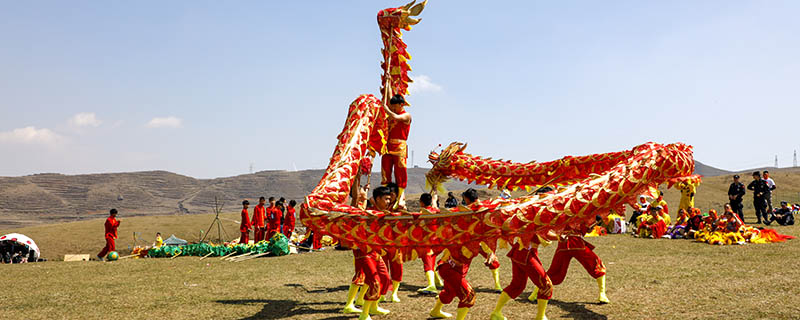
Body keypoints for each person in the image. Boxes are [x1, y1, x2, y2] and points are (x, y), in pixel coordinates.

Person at [349, 186, 393, 320]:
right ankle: (364, 314)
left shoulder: (382, 213)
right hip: (364, 252)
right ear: (377, 199)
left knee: (385, 278)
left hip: (375, 252)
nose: (388, 202)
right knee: (374, 281)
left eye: (389, 199)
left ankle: (374, 305)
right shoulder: (367, 213)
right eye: (386, 199)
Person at [490, 240, 553, 320]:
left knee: (517, 285)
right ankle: (540, 317)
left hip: (519, 252)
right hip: (526, 254)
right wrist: (561, 235)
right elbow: (543, 234)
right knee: (546, 285)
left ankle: (496, 312)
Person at [546, 224, 609, 304]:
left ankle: (536, 293)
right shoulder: (580, 213)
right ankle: (602, 294)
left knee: (555, 270)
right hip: (577, 243)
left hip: (564, 243)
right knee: (596, 264)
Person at [460, 188, 503, 292]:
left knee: (463, 262)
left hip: (473, 241)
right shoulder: (487, 206)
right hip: (484, 242)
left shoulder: (467, 210)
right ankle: (497, 285)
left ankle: (460, 283)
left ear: (466, 198)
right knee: (493, 260)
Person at [381, 94, 412, 208]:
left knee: (400, 172)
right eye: (392, 107)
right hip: (387, 147)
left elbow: (395, 117)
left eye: (395, 107)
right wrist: (388, 81)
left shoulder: (406, 115)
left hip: (399, 146)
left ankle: (401, 197)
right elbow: (389, 97)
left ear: (401, 104)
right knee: (386, 171)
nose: (393, 109)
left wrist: (386, 108)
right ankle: (384, 196)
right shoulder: (392, 113)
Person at [417, 193, 443, 294]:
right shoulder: (436, 211)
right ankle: (437, 281)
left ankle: (431, 285)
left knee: (428, 263)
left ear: (421, 202)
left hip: (427, 243)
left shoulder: (422, 213)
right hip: (438, 242)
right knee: (431, 261)